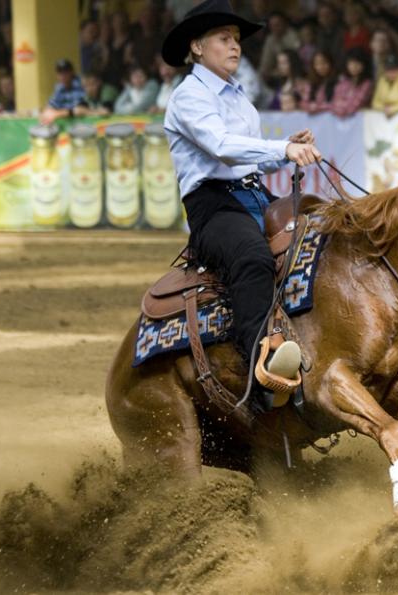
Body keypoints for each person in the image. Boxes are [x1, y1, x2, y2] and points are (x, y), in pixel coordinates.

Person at [162, 0, 321, 394]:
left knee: (324, 232)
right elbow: (221, 147)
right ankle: (262, 373)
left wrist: (283, 145)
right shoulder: (189, 96)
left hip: (251, 194)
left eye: (236, 39)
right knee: (252, 259)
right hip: (212, 207)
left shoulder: (238, 98)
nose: (235, 45)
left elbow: (248, 159)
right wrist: (281, 150)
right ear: (197, 47)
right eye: (224, 38)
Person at [257, 12, 300, 83]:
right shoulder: (270, 39)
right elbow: (265, 64)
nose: (274, 28)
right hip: (276, 74)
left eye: (277, 24)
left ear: (285, 24)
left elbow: (295, 62)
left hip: (294, 74)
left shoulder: (293, 35)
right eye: (272, 25)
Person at [40, 59, 86, 124]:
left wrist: (56, 114)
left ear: (72, 72)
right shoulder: (59, 87)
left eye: (66, 72)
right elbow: (51, 105)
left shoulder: (80, 84)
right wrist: (47, 112)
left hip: (84, 124)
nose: (63, 75)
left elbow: (78, 110)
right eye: (60, 72)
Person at [332, 47, 373, 117]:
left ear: (364, 64)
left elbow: (357, 104)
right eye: (350, 63)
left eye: (357, 63)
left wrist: (341, 110)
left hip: (358, 121)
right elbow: (335, 100)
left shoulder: (367, 84)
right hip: (339, 119)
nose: (354, 66)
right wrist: (338, 110)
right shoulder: (343, 80)